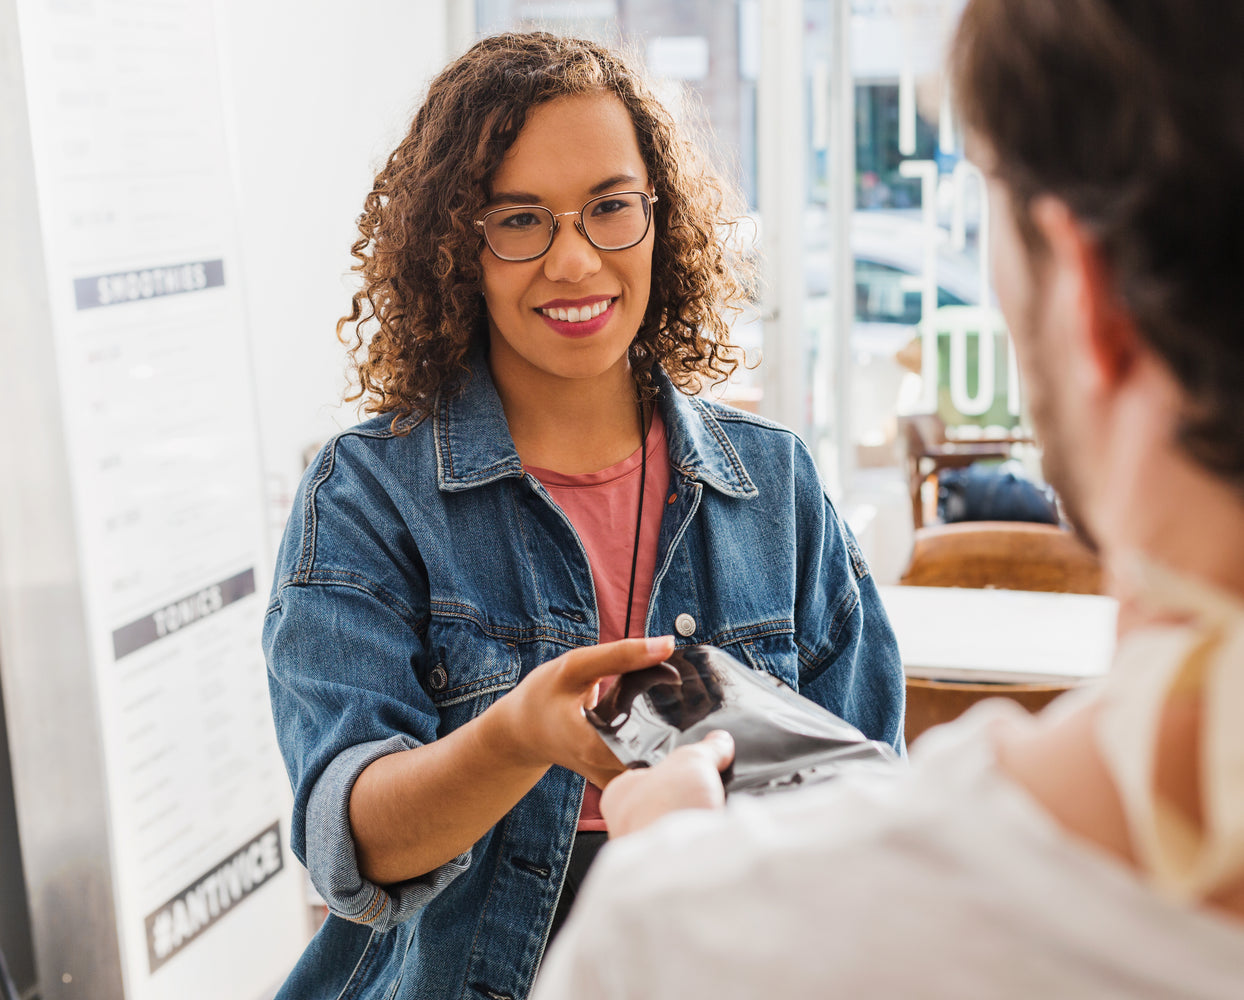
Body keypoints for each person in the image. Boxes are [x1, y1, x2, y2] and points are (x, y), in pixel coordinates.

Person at [532, 2, 1244, 997]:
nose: (571, 258)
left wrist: (685, 874)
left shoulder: (685, 937)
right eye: (522, 220)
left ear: (1089, 295)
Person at [263, 31, 904, 1000]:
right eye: (520, 219)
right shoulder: (367, 497)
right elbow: (352, 849)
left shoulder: (775, 488)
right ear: (456, 245)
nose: (574, 259)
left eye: (610, 208)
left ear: (659, 218)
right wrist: (513, 736)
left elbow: (870, 819)